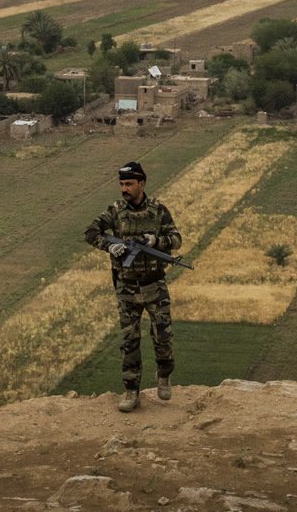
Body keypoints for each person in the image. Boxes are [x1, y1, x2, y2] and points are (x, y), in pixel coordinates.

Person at [83, 159, 182, 411]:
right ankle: (131, 391)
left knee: (163, 336)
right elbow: (91, 232)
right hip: (126, 287)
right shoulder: (115, 211)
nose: (124, 189)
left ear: (142, 183)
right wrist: (110, 245)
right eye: (121, 184)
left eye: (129, 184)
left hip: (155, 285)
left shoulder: (158, 211)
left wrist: (155, 241)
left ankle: (163, 375)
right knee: (130, 341)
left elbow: (176, 239)